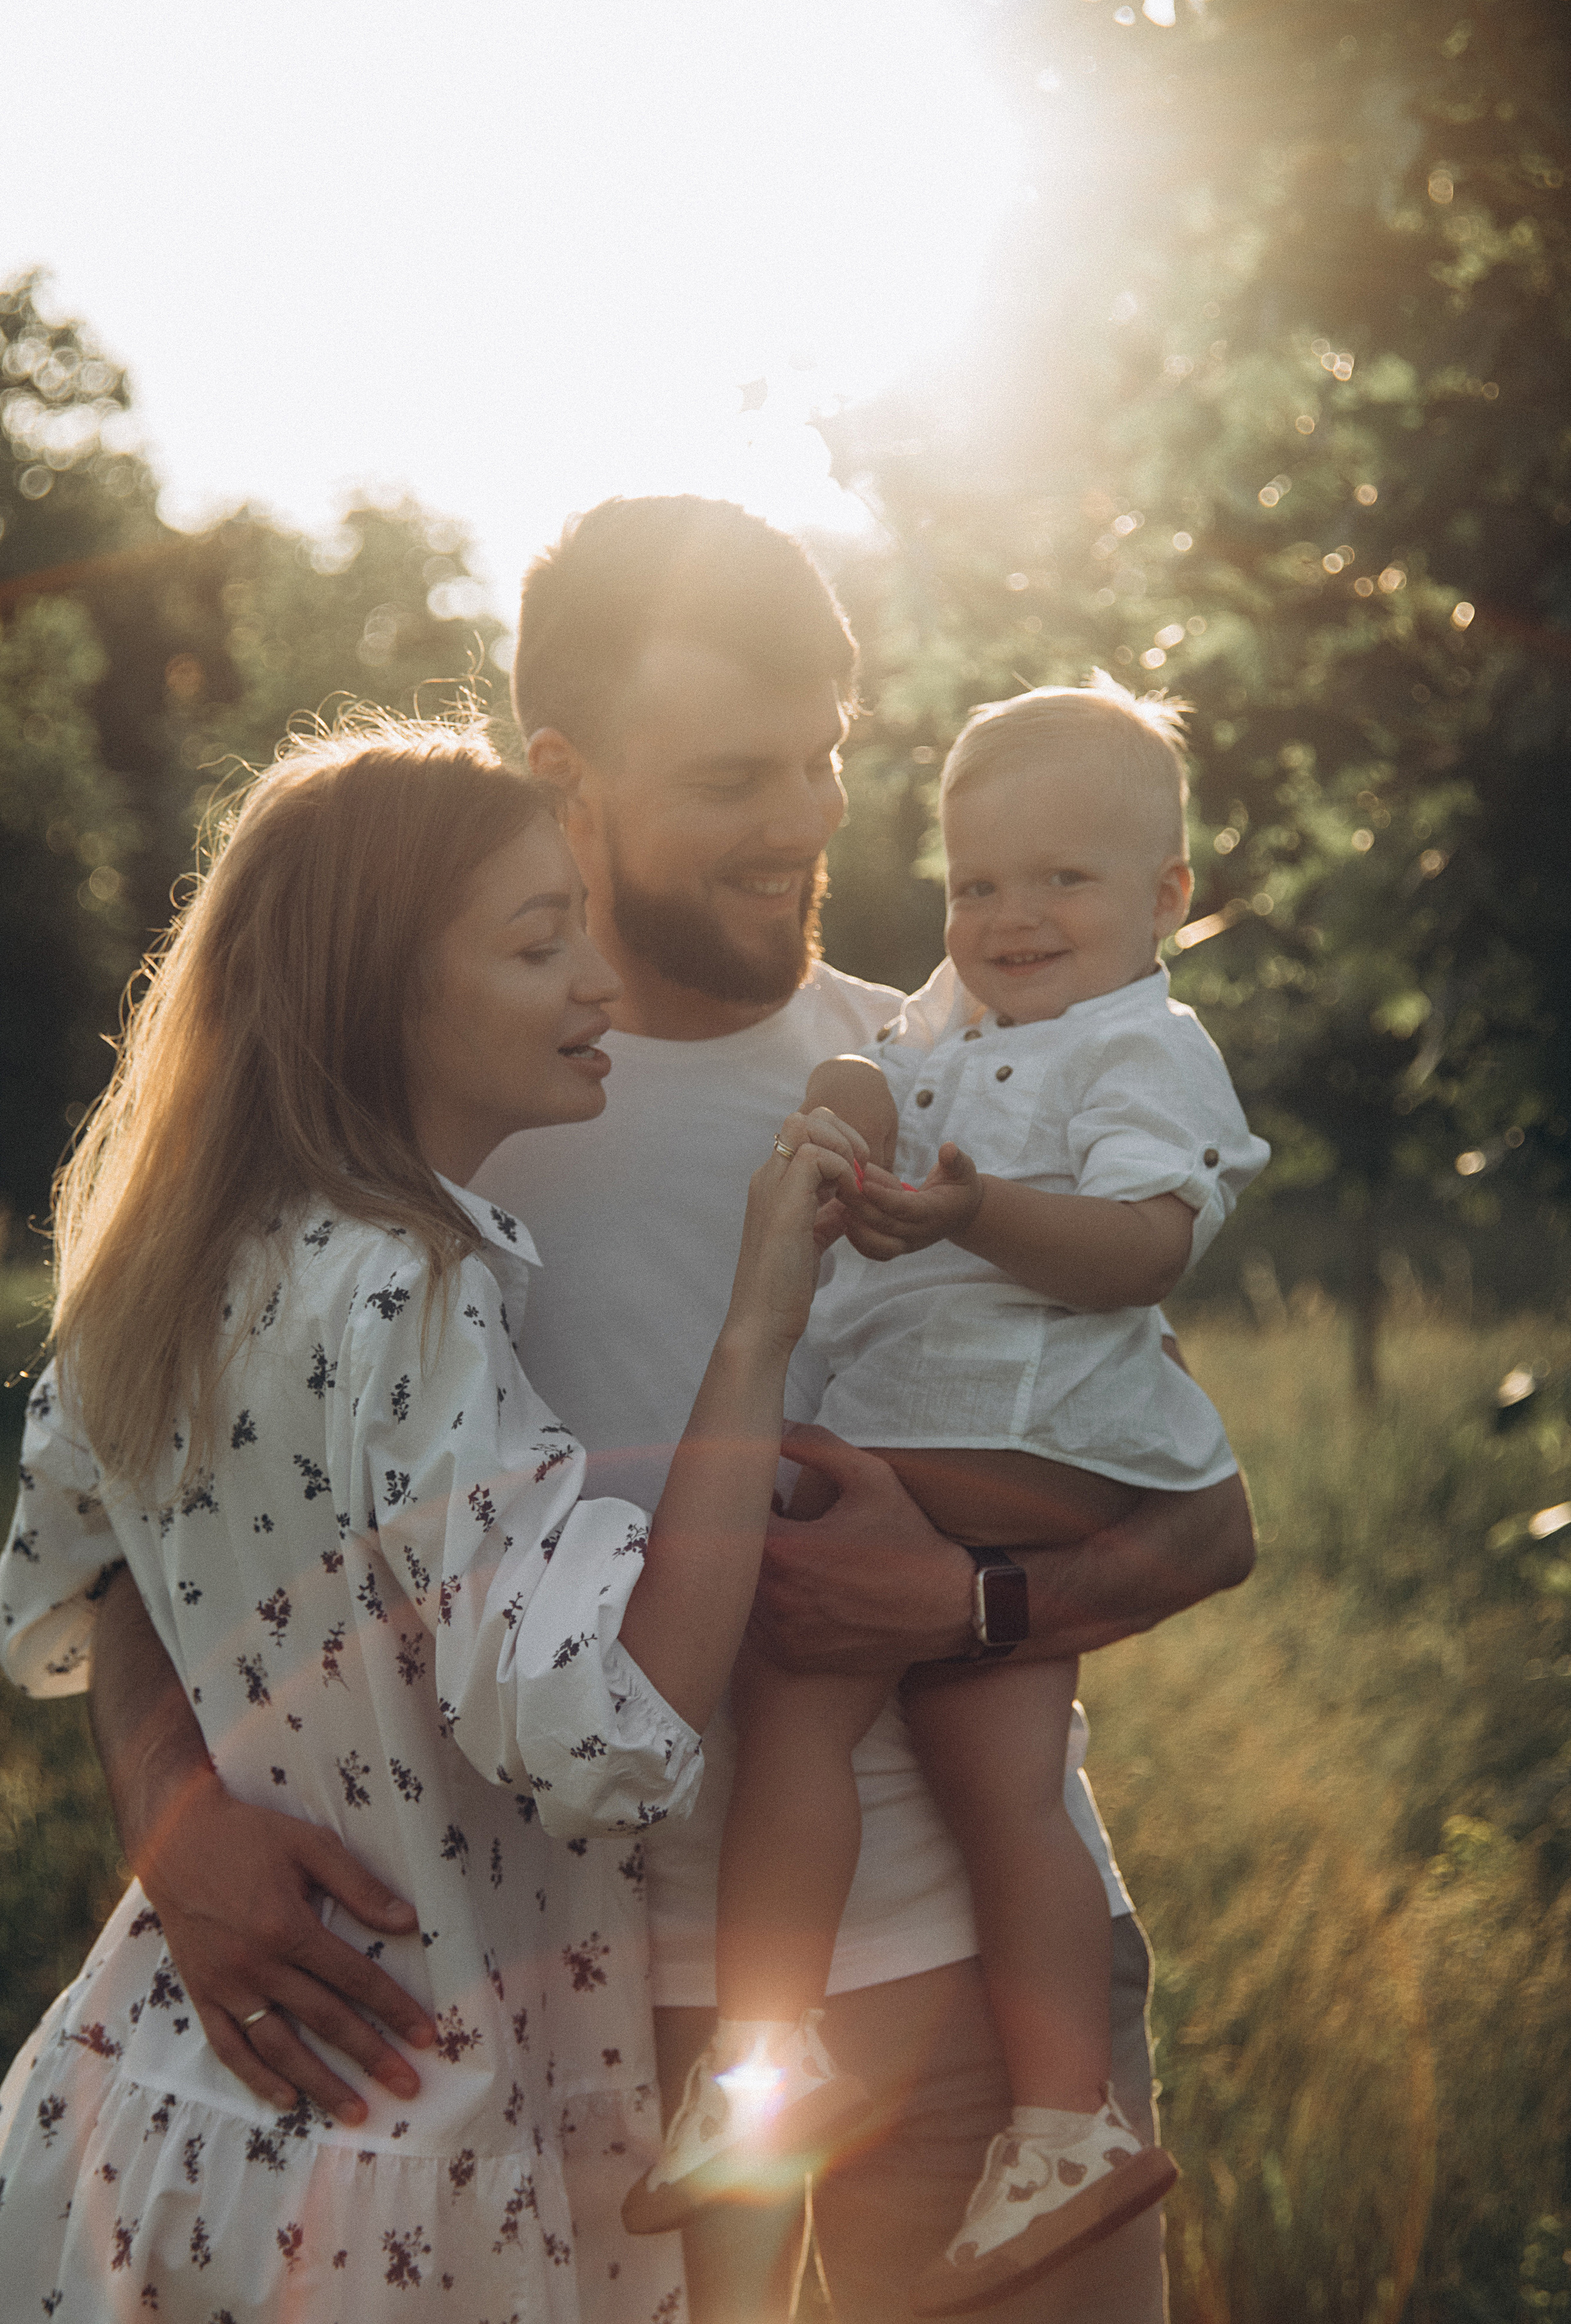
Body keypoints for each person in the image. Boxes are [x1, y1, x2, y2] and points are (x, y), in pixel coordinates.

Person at [80, 498, 1257, 2324]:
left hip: (974, 1998)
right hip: (590, 2032)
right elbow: (130, 1510)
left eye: (826, 760)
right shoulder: (451, 1114)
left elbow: (1198, 1511)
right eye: (735, 776)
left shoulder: (937, 1072)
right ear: (568, 773)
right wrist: (174, 1815)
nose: (803, 822)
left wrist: (961, 1609)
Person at [0, 715, 858, 2322]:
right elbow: (605, 1729)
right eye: (542, 945)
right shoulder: (413, 1289)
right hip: (399, 2152)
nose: (598, 987)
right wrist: (756, 1324)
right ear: (379, 991)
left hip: (146, 2109)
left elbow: (63, 1570)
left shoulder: (157, 1279)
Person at [631, 681, 1268, 2313]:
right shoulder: (956, 1019)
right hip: (979, 1428)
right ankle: (1064, 2123)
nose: (1010, 916)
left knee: (793, 1678)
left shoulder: (1143, 1043)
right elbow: (876, 1074)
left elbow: (1150, 1241)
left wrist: (977, 1211)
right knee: (1001, 1766)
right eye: (980, 881)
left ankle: (770, 2057)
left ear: (1168, 898)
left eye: (1063, 879)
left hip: (1042, 1428)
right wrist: (835, 1123)